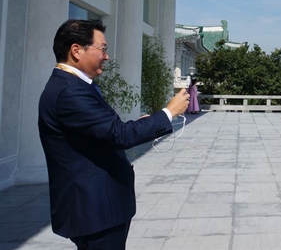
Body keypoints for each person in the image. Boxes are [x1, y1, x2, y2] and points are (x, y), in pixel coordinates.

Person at [38, 19, 189, 249]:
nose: (106, 56)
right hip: (95, 210)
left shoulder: (75, 86)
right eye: (102, 49)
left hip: (100, 206)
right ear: (76, 50)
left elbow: (104, 132)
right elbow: (121, 135)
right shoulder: (69, 92)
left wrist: (139, 125)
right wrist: (169, 113)